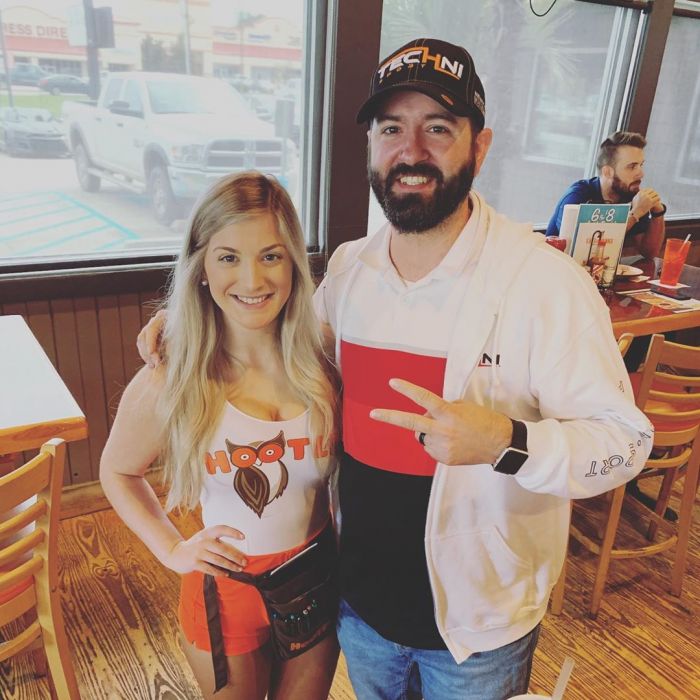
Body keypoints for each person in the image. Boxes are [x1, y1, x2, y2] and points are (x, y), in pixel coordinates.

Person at [139, 39, 653, 700]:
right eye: (391, 128)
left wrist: (506, 441)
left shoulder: (545, 284)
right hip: (359, 613)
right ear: (372, 146)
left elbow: (627, 442)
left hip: (476, 634)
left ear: (480, 146)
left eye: (438, 128)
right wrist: (191, 319)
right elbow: (277, 331)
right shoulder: (351, 269)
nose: (411, 151)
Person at [101, 171, 340, 700]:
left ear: (294, 263)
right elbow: (117, 471)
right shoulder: (173, 374)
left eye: (271, 256)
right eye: (229, 257)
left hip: (315, 578)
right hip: (225, 590)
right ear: (202, 268)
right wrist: (170, 549)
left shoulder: (324, 356)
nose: (252, 280)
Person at [546, 131, 666, 259]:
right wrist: (635, 214)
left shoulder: (631, 195)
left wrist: (657, 213)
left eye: (641, 165)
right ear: (607, 172)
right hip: (557, 266)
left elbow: (649, 253)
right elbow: (584, 249)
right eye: (632, 167)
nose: (641, 174)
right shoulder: (578, 195)